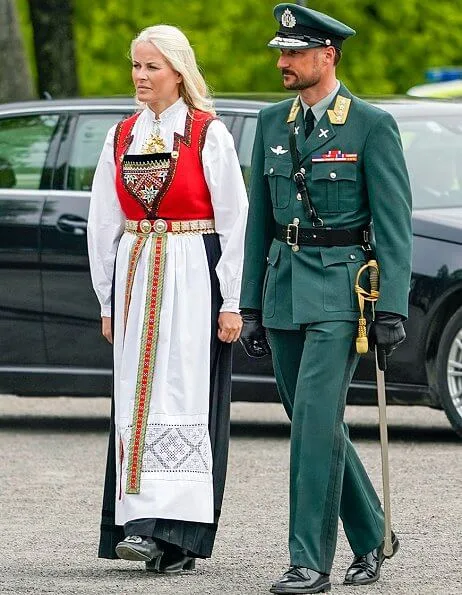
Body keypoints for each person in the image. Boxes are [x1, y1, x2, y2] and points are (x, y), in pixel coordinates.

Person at [239, 3, 412, 594]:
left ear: (328, 55)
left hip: (341, 291)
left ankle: (306, 562)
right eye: (281, 53)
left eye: (294, 53)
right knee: (315, 422)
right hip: (283, 287)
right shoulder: (269, 123)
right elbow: (258, 221)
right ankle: (374, 535)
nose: (283, 62)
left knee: (313, 422)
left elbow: (394, 225)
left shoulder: (370, 124)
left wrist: (391, 306)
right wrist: (249, 305)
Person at [88, 24, 248, 573]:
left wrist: (232, 301)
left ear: (178, 71)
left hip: (190, 272)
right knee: (135, 394)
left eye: (151, 67)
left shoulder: (207, 134)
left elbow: (234, 220)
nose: (140, 76)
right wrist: (108, 300)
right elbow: (103, 222)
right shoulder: (122, 135)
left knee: (183, 393)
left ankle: (178, 534)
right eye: (135, 65)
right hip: (137, 274)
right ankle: (137, 526)